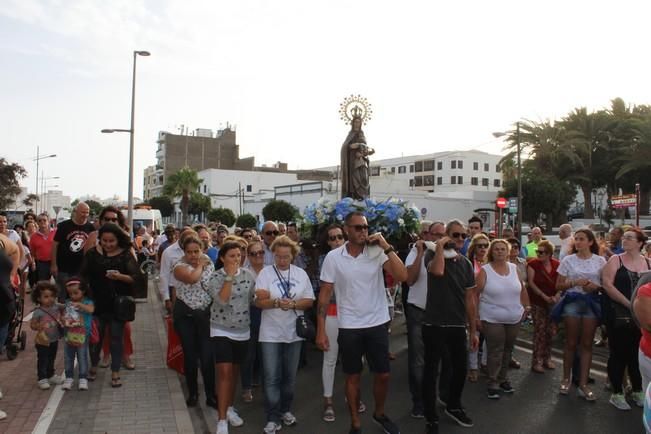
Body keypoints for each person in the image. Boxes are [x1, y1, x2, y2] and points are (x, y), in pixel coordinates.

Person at [317, 212, 407, 434]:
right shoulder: (334, 257)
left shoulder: (376, 251)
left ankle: (379, 413)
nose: (363, 231)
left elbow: (402, 275)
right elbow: (325, 294)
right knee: (352, 375)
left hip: (376, 323)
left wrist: (386, 245)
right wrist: (321, 330)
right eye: (357, 228)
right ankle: (355, 422)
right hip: (348, 325)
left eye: (365, 227)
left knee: (383, 374)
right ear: (347, 230)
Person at [255, 236, 315, 434]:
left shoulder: (300, 274)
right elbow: (259, 301)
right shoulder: (265, 273)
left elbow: (309, 300)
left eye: (286, 257)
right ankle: (272, 417)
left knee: (289, 376)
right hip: (270, 333)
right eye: (278, 256)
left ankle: (285, 410)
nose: (282, 260)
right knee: (272, 376)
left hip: (293, 333)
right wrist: (276, 303)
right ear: (273, 255)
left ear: (293, 256)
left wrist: (294, 304)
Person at [422, 219, 478, 432]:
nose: (460, 240)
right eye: (455, 235)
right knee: (431, 371)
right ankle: (431, 417)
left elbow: (470, 299)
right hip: (433, 323)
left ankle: (453, 405)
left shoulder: (465, 263)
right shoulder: (431, 254)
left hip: (456, 325)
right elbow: (437, 272)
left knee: (459, 369)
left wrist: (473, 330)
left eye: (463, 236)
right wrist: (440, 247)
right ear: (446, 236)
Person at [82, 223, 140, 387]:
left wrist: (120, 276)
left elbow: (136, 279)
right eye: (104, 240)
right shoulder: (92, 254)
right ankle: (94, 365)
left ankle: (115, 372)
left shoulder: (125, 255)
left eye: (111, 241)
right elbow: (82, 275)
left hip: (118, 304)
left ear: (118, 240)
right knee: (95, 339)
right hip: (97, 303)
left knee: (116, 338)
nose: (107, 244)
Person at [207, 242, 256, 434]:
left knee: (234, 373)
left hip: (242, 330)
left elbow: (253, 299)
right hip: (221, 329)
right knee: (224, 372)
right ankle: (221, 421)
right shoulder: (215, 277)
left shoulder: (248, 276)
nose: (237, 259)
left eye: (239, 255)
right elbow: (222, 300)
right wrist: (229, 276)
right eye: (232, 256)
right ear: (222, 258)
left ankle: (228, 408)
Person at [554, 228, 606, 400]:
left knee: (587, 344)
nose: (577, 241)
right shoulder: (568, 260)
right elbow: (558, 286)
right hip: (572, 301)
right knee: (570, 342)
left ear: (590, 242)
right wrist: (574, 282)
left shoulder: (600, 260)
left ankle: (583, 383)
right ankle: (566, 379)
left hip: (591, 302)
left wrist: (595, 287)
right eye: (576, 239)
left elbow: (606, 285)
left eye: (581, 238)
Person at [601, 228, 649, 409]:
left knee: (637, 355)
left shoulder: (649, 263)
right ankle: (617, 393)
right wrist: (630, 304)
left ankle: (638, 390)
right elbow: (607, 285)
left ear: (640, 243)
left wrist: (641, 309)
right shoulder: (616, 260)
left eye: (629, 238)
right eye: (624, 237)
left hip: (642, 318)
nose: (625, 240)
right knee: (618, 354)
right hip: (619, 316)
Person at [476, 239, 529, 399]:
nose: (500, 251)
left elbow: (522, 288)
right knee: (495, 349)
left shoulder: (514, 268)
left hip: (514, 316)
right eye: (496, 249)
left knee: (508, 349)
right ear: (491, 252)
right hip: (492, 317)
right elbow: (474, 294)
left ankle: (503, 378)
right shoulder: (485, 270)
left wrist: (527, 306)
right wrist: (476, 316)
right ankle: (492, 381)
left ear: (508, 252)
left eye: (503, 249)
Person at [172, 232, 216, 408]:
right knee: (190, 356)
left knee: (207, 357)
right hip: (186, 316)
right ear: (184, 252)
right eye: (189, 252)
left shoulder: (209, 262)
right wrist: (200, 265)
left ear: (202, 249)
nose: (193, 255)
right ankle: (193, 394)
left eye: (196, 251)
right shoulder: (178, 266)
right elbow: (192, 278)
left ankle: (211, 395)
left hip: (205, 315)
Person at [404, 220, 442, 419]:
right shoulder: (415, 251)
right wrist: (420, 253)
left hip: (440, 313)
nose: (433, 237)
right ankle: (418, 401)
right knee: (418, 360)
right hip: (419, 311)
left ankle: (435, 397)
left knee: (438, 358)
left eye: (438, 234)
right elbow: (409, 279)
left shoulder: (448, 253)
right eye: (429, 234)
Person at [316, 224, 353, 423]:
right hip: (332, 313)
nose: (337, 240)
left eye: (340, 236)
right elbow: (324, 293)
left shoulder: (358, 257)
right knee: (330, 359)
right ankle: (328, 400)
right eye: (332, 238)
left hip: (354, 315)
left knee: (353, 359)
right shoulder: (325, 260)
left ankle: (351, 395)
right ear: (327, 242)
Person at [526, 240, 560, 373]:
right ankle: (537, 361)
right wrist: (543, 296)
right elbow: (531, 283)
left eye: (542, 252)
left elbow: (560, 283)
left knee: (550, 331)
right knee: (540, 331)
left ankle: (547, 358)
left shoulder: (557, 264)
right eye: (537, 251)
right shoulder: (532, 264)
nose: (538, 254)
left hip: (553, 303)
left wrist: (557, 296)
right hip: (538, 302)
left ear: (549, 253)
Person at [51, 202, 94, 300]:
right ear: (76, 212)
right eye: (83, 212)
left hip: (81, 268)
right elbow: (55, 245)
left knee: (80, 295)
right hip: (64, 268)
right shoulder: (64, 226)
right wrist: (54, 264)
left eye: (87, 212)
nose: (85, 215)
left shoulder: (90, 228)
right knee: (63, 295)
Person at [241, 240, 265, 403]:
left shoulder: (270, 271)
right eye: (254, 253)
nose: (258, 256)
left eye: (261, 253)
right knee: (249, 354)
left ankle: (263, 383)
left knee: (264, 352)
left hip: (268, 314)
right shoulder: (243, 273)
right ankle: (246, 387)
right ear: (248, 256)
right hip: (250, 314)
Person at [60, 278, 94, 391]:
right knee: (68, 356)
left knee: (82, 355)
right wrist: (63, 319)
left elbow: (91, 310)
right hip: (69, 333)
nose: (73, 296)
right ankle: (69, 377)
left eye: (76, 293)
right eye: (70, 293)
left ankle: (83, 377)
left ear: (83, 291)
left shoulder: (88, 301)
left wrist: (80, 305)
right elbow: (64, 315)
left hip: (83, 333)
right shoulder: (68, 303)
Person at [30, 281, 64, 389]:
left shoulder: (55, 306)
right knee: (43, 359)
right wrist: (37, 326)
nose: (50, 299)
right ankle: (42, 378)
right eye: (46, 297)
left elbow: (65, 306)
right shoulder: (38, 312)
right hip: (43, 341)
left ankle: (51, 375)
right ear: (39, 299)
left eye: (52, 296)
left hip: (54, 339)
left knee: (52, 357)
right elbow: (32, 325)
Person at [466, 233, 489, 382]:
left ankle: (485, 364)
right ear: (474, 248)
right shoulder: (468, 264)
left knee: (490, 336)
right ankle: (473, 367)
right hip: (473, 303)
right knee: (474, 335)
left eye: (486, 246)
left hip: (489, 304)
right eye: (479, 246)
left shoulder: (492, 264)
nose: (483, 249)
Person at [340, 115, 375, 200]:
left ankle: (362, 199)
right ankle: (354, 198)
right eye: (355, 122)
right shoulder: (350, 134)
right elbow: (344, 147)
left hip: (361, 162)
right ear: (352, 123)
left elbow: (365, 147)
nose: (357, 124)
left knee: (363, 180)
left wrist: (363, 150)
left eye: (359, 122)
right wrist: (349, 146)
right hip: (352, 163)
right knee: (355, 181)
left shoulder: (361, 134)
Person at [30, 214, 56, 282]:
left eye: (44, 220)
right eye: (40, 220)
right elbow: (32, 252)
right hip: (42, 264)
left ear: (48, 221)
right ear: (37, 223)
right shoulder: (33, 237)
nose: (42, 222)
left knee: (60, 284)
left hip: (56, 262)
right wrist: (33, 263)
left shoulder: (56, 233)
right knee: (44, 286)